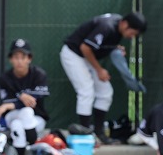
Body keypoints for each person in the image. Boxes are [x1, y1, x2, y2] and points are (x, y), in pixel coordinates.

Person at [60, 11, 147, 144]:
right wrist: (99, 70)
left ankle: (99, 133)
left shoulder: (118, 26)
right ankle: (85, 135)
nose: (132, 37)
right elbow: (85, 47)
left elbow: (101, 43)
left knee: (105, 92)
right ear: (125, 24)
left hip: (87, 57)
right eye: (133, 33)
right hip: (73, 54)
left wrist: (114, 48)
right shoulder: (107, 26)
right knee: (86, 90)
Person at [0, 38, 50, 155]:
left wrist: (12, 103)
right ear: (10, 59)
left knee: (20, 121)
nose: (19, 61)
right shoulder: (5, 78)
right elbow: (7, 100)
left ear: (29, 59)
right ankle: (32, 142)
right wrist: (20, 97)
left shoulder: (38, 74)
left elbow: (34, 100)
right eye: (16, 57)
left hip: (36, 120)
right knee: (24, 112)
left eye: (23, 57)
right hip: (12, 115)